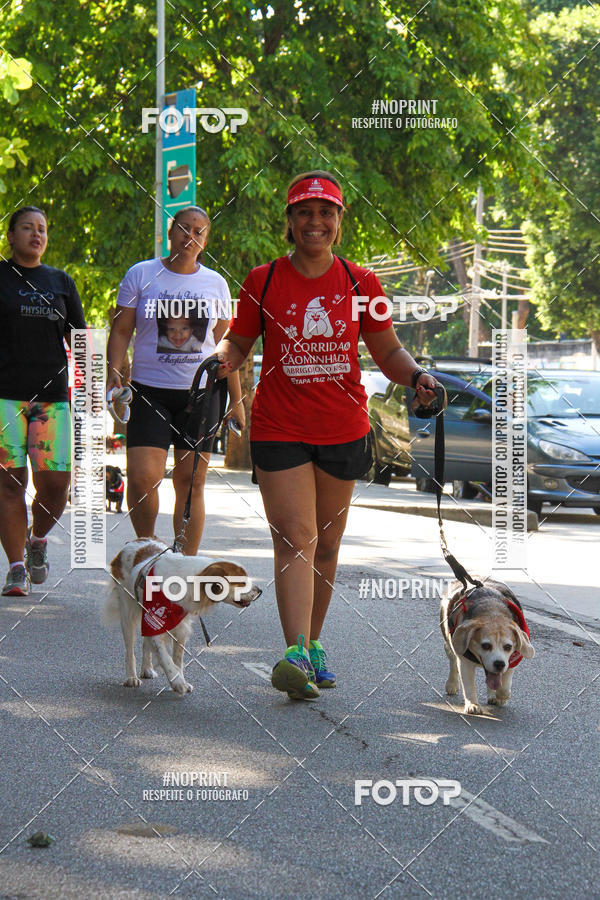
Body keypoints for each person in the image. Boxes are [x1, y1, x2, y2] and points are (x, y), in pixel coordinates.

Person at [215, 171, 438, 700]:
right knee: (296, 534)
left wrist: (417, 377)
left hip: (343, 427)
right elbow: (238, 344)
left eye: (326, 212)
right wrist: (219, 362)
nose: (315, 221)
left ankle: (314, 646)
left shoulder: (363, 284)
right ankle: (293, 651)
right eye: (304, 213)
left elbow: (387, 352)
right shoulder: (262, 278)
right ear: (289, 223)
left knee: (329, 544)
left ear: (339, 222)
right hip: (280, 426)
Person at [106, 206, 244, 555]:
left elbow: (224, 344)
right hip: (149, 391)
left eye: (199, 231)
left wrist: (238, 401)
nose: (191, 236)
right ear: (171, 233)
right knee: (141, 477)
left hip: (201, 395)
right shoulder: (141, 274)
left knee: (192, 481)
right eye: (185, 229)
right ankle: (147, 551)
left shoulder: (215, 283)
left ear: (206, 240)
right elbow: (122, 330)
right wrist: (113, 373)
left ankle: (184, 564)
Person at [0, 206, 87, 596]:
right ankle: (16, 565)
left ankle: (37, 539)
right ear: (11, 236)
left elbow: (80, 341)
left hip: (52, 401)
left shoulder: (60, 282)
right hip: (4, 399)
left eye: (43, 229)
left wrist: (94, 393)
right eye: (28, 228)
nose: (37, 235)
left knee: (55, 484)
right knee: (8, 484)